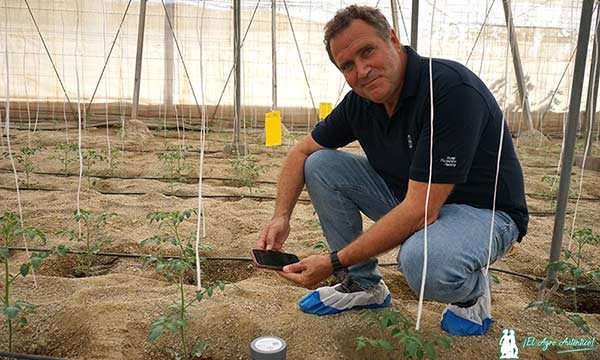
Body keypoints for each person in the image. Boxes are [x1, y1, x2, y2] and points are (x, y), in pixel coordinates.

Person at [256, 5, 528, 336]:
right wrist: (280, 216)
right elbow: (301, 151)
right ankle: (363, 286)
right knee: (321, 164)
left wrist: (333, 261)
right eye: (348, 66)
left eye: (367, 51)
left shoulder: (449, 89)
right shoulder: (361, 103)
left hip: (485, 213)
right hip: (414, 201)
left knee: (424, 262)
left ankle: (471, 293)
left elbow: (420, 211)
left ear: (394, 40)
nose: (362, 70)